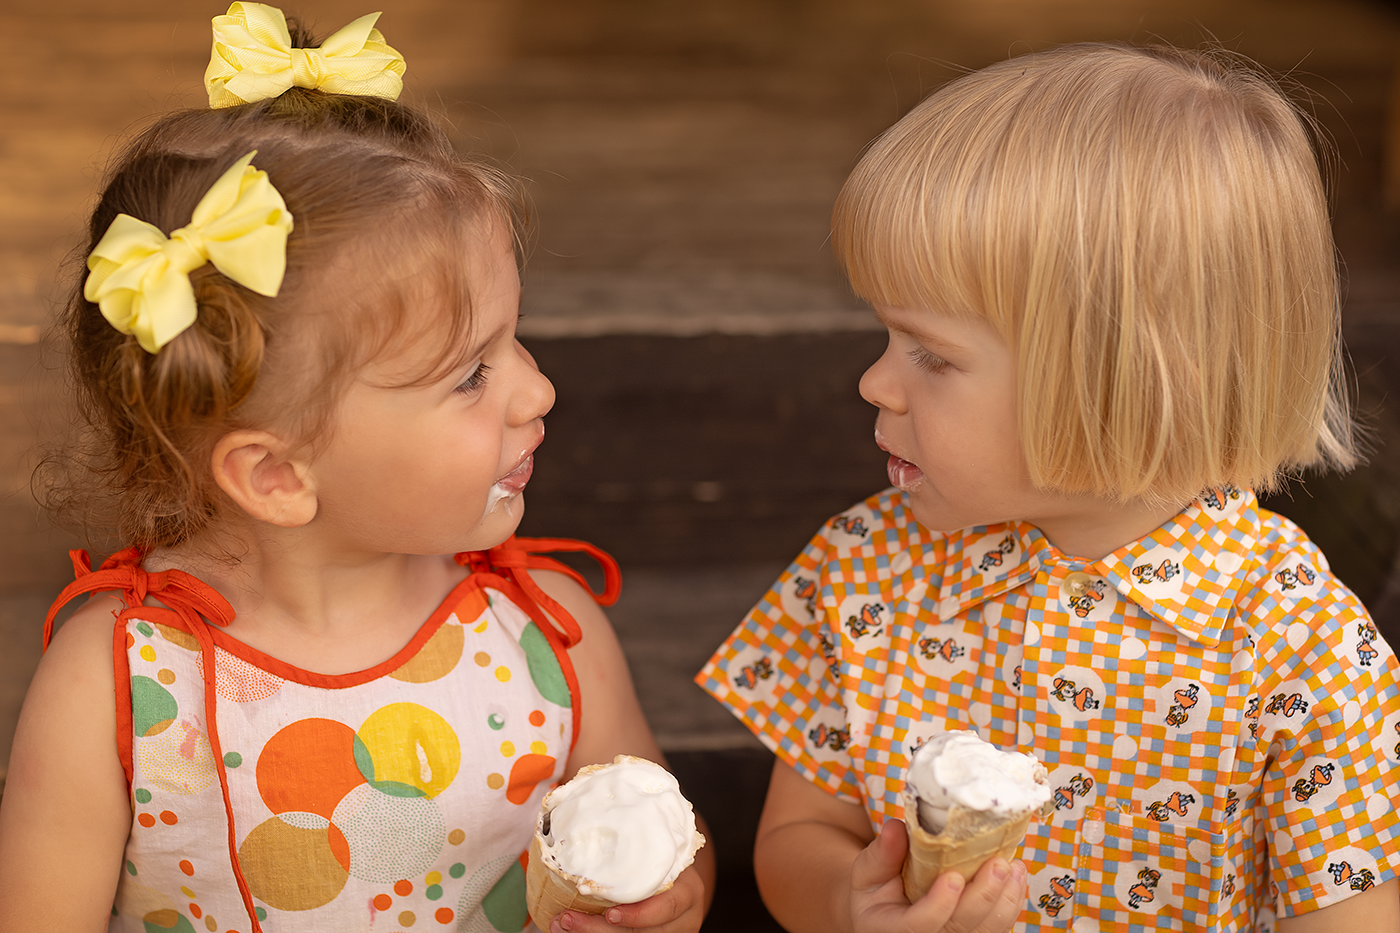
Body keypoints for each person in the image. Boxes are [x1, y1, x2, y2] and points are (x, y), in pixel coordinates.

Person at [0, 5, 712, 932]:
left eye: (514, 338)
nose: (537, 390)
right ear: (276, 475)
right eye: (470, 373)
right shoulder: (117, 684)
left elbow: (667, 845)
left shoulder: (548, 636)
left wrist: (669, 901)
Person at [697, 43, 1400, 933]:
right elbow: (800, 836)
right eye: (886, 337)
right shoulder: (865, 568)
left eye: (932, 355)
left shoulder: (1301, 647)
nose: (875, 382)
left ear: (1122, 379)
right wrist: (852, 901)